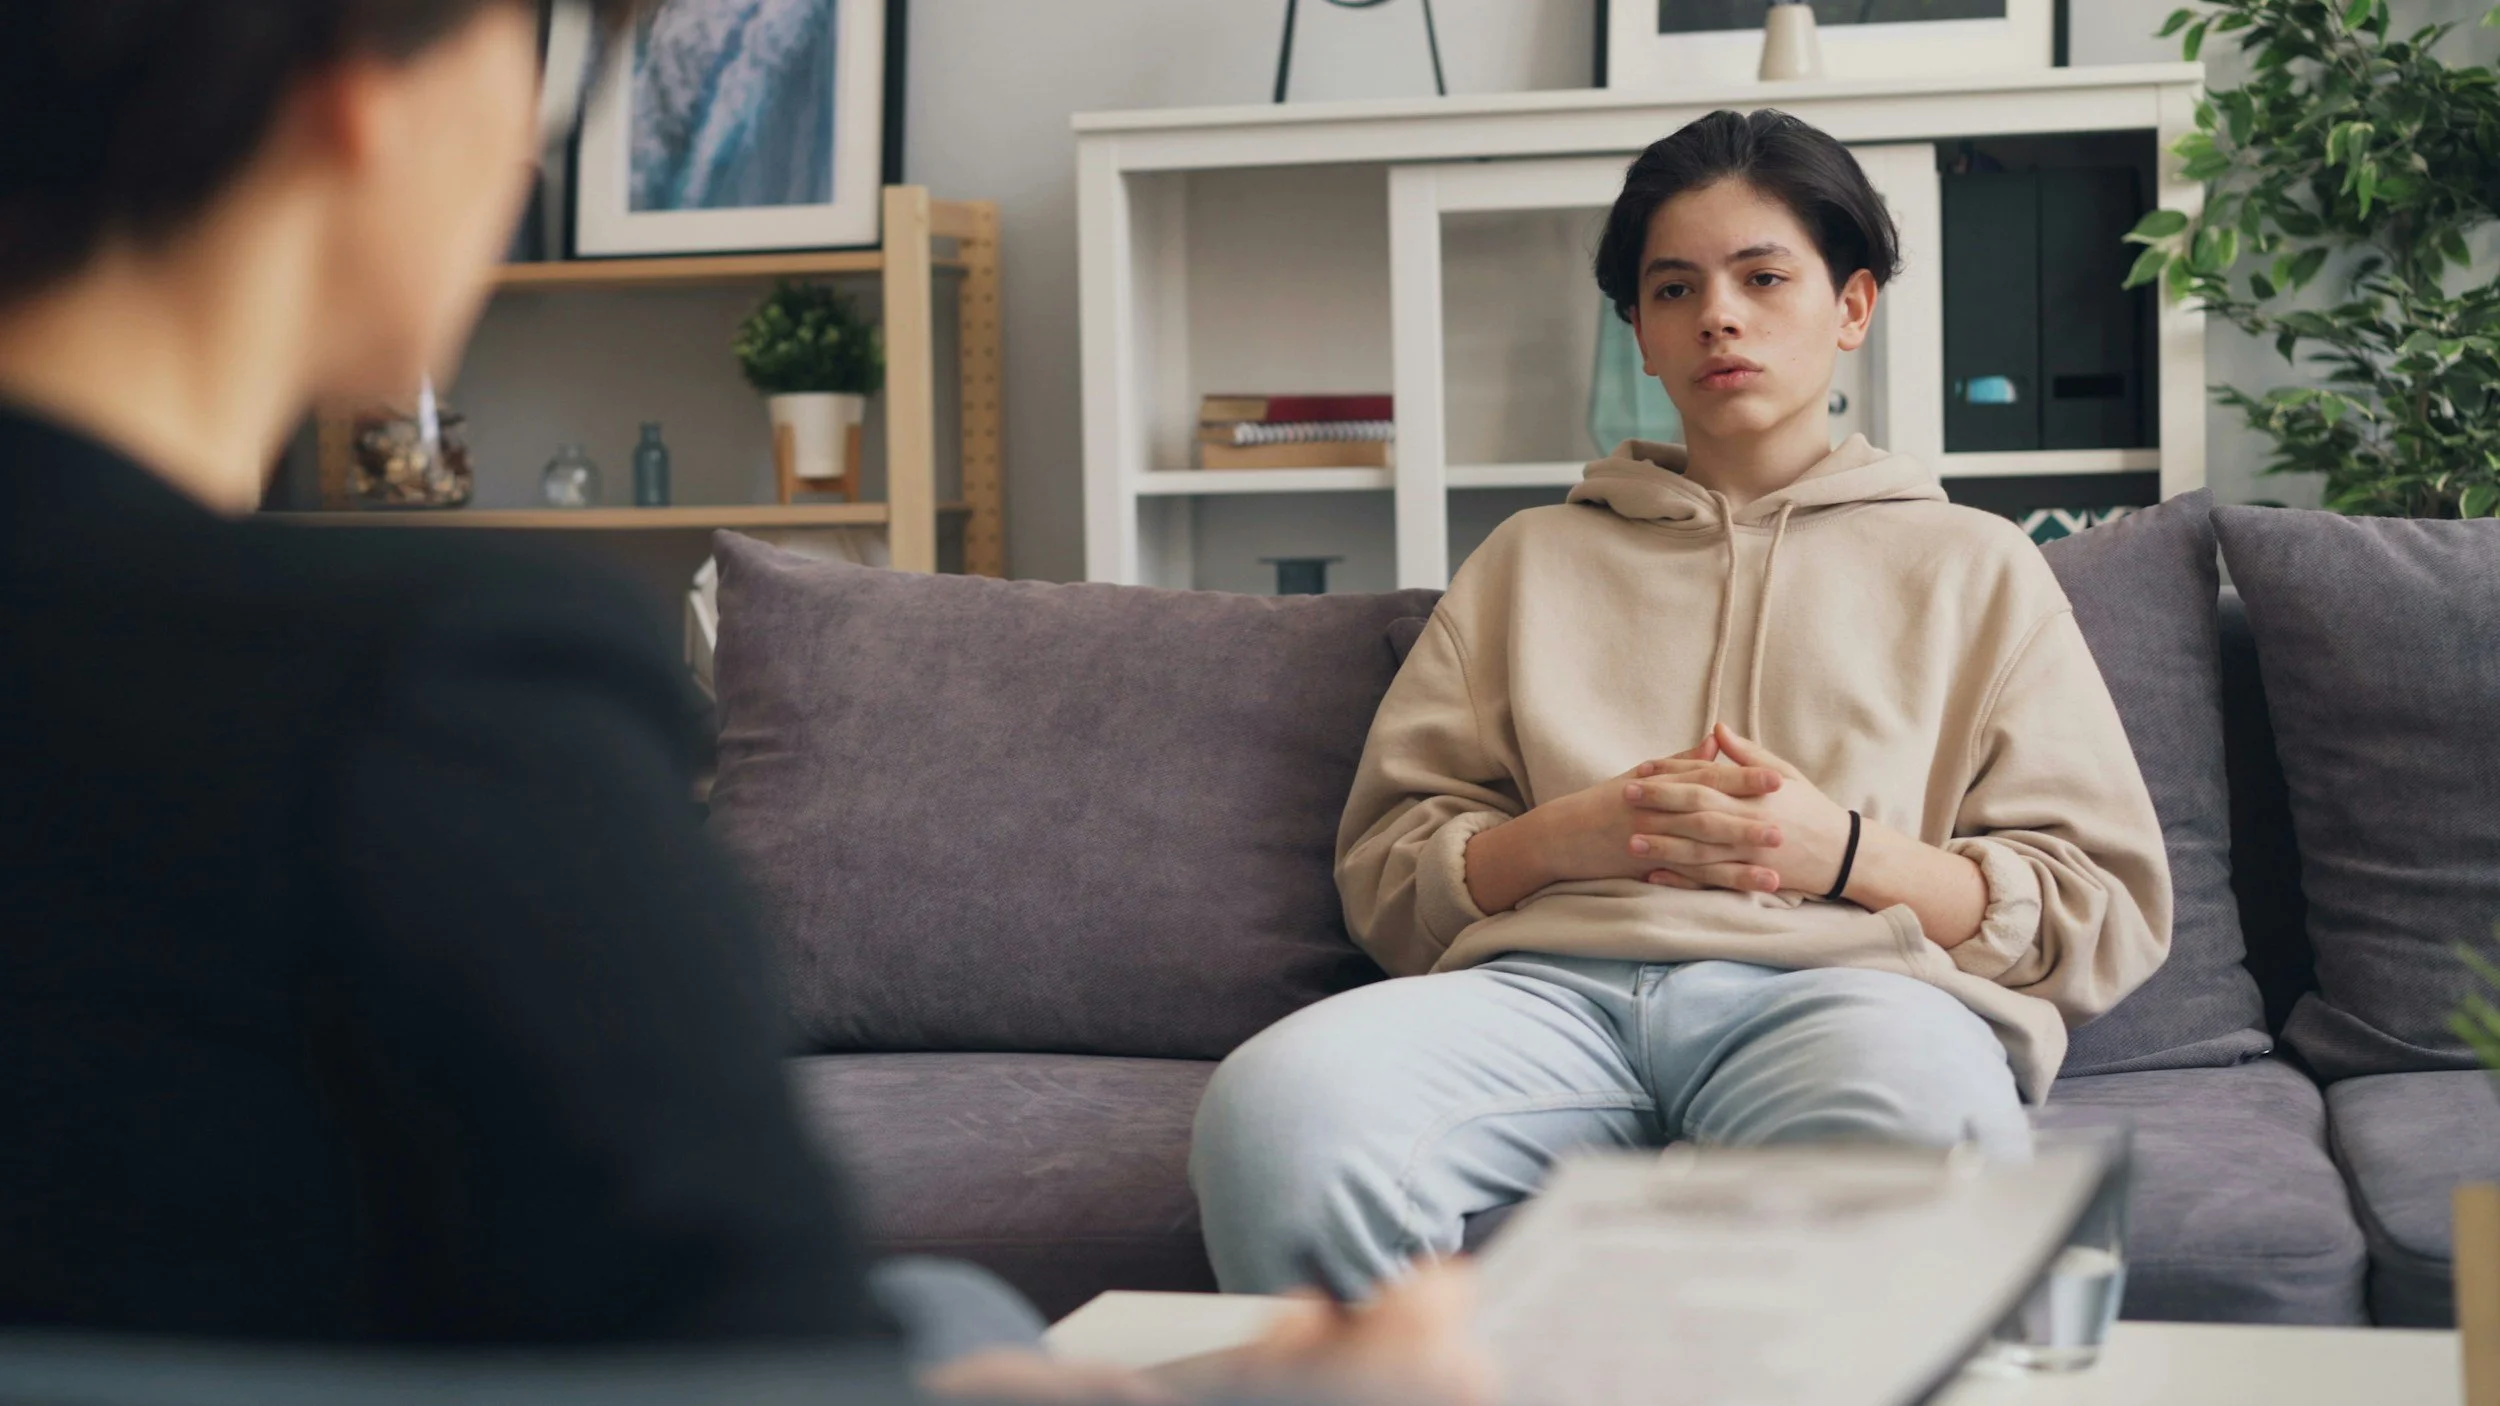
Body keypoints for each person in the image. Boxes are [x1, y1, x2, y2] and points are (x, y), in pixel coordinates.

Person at [0, 3, 1489, 1401]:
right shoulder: (446, 691)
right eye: (540, 82)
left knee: (945, 1311)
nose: (527, 166)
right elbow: (763, 1369)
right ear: (358, 102)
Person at [1190, 108, 2175, 1298]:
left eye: (1763, 276)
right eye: (1674, 289)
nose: (1718, 314)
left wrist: (1841, 851)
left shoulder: (1977, 566)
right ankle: (1397, 1379)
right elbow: (1388, 872)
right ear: (1642, 337)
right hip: (1542, 997)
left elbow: (2099, 907)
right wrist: (1566, 837)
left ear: (1852, 306)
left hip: (1852, 994)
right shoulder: (1527, 559)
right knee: (1275, 1109)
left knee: (1930, 1132)